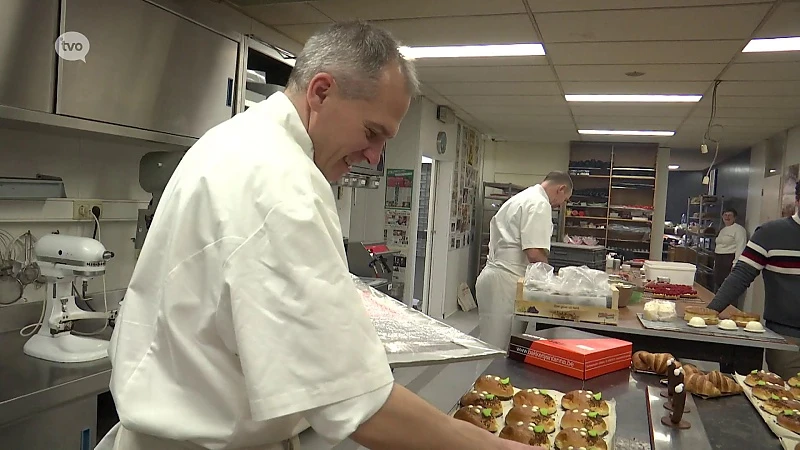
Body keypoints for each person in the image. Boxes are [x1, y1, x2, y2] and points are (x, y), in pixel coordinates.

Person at [96, 21, 542, 450]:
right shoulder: (281, 184)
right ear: (322, 91)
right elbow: (356, 403)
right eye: (372, 133)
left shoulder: (233, 140)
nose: (374, 156)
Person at [708, 181, 800, 379]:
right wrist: (708, 314)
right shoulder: (770, 234)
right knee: (789, 401)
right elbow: (740, 276)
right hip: (787, 338)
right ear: (797, 201)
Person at [476, 172, 573, 350]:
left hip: (496, 277)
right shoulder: (539, 204)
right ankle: (486, 379)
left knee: (491, 346)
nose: (561, 205)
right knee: (498, 350)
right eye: (565, 199)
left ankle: (488, 378)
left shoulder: (523, 197)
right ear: (561, 189)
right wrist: (551, 282)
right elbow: (534, 253)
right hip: (506, 282)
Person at [713, 207, 747, 296]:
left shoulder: (739, 230)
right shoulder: (723, 230)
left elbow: (741, 247)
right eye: (725, 215)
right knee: (719, 286)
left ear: (735, 217)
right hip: (719, 260)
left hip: (729, 260)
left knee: (728, 288)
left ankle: (729, 309)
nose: (727, 217)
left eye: (730, 215)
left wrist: (735, 264)